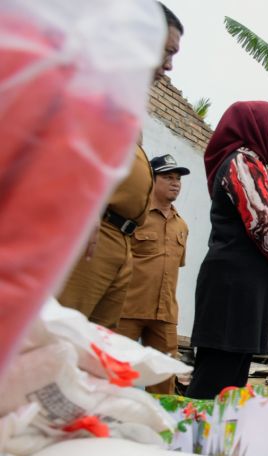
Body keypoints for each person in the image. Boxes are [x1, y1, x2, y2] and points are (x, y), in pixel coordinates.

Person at [56, 2, 184, 328]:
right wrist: (84, 211)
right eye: (166, 52)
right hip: (92, 232)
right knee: (58, 337)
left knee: (93, 352)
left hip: (121, 241)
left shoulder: (127, 104)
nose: (169, 66)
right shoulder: (92, 86)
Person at [186, 101, 268, 399]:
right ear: (262, 130)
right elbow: (261, 222)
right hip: (233, 284)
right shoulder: (241, 162)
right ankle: (189, 440)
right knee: (216, 377)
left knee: (231, 377)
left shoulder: (258, 167)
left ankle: (210, 441)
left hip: (245, 284)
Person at [116, 154, 190, 395]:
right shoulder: (135, 215)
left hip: (165, 314)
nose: (175, 182)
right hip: (129, 307)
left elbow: (172, 268)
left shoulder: (182, 226)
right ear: (151, 179)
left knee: (164, 380)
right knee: (116, 372)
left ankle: (161, 429)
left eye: (178, 178)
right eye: (168, 177)